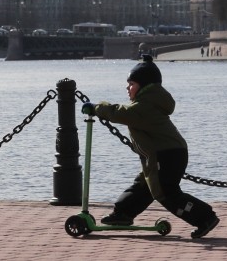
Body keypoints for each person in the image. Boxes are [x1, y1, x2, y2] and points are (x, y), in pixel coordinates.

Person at [90, 54, 220, 239]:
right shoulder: (149, 102)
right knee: (144, 184)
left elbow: (120, 113)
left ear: (145, 86)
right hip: (167, 153)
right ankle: (123, 213)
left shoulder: (144, 106)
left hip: (166, 155)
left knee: (166, 193)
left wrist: (96, 108)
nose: (127, 88)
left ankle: (205, 218)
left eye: (132, 84)